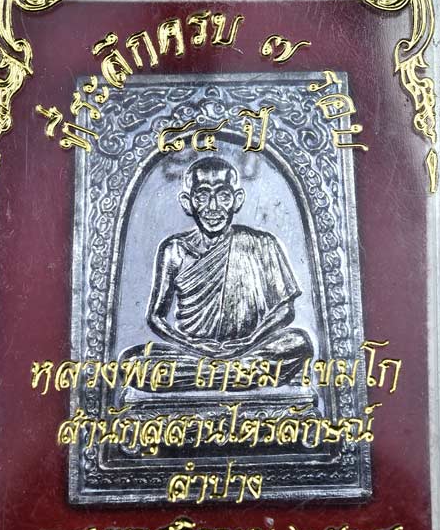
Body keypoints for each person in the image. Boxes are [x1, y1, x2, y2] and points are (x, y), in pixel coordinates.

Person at [123, 156, 313, 389]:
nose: (213, 207)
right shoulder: (174, 250)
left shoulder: (262, 243)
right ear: (187, 202)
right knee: (131, 364)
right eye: (202, 196)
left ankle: (212, 375)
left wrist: (249, 342)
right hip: (192, 351)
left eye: (223, 196)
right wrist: (193, 346)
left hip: (249, 347)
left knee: (299, 342)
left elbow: (285, 310)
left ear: (237, 200)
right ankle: (239, 374)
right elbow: (155, 317)